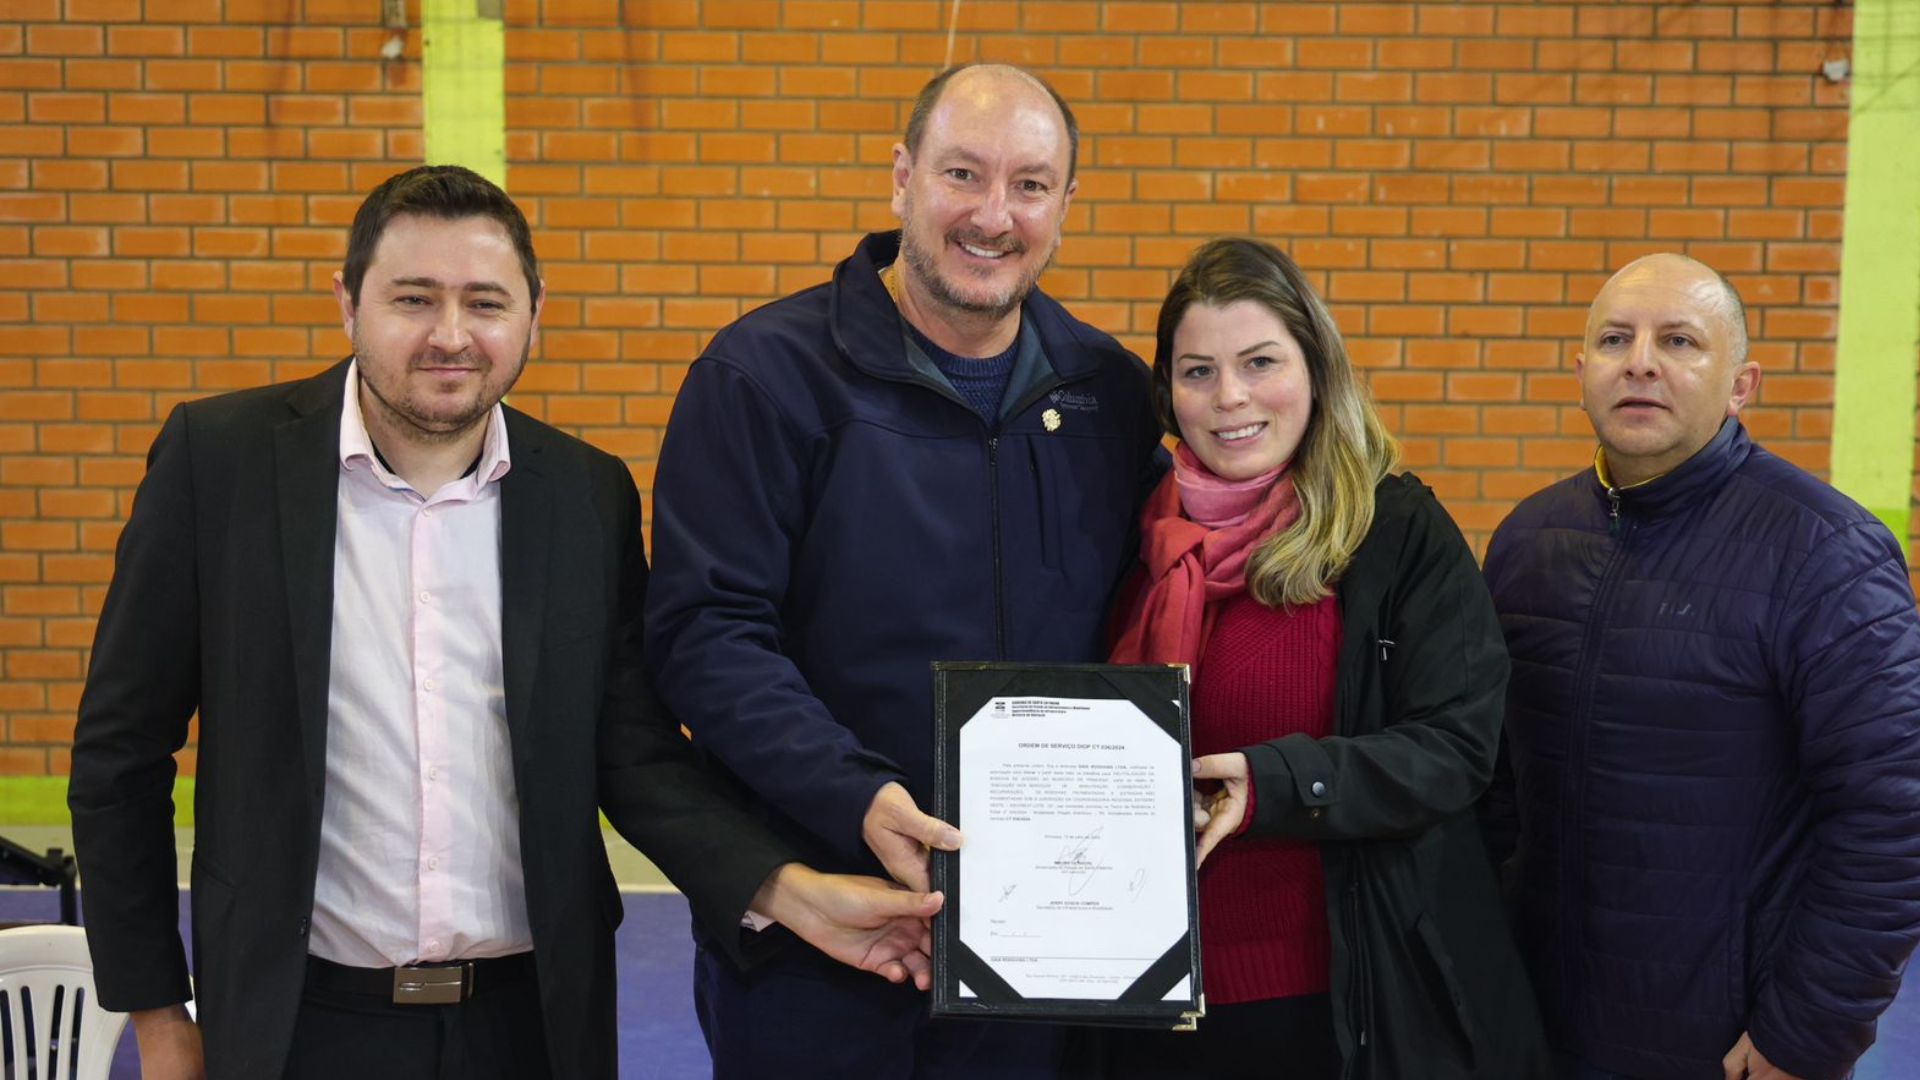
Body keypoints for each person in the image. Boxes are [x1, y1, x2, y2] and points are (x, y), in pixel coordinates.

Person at [66, 164, 946, 1080]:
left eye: (485, 302)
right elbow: (119, 756)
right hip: (299, 1024)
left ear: (534, 313)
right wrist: (162, 1021)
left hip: (531, 1027)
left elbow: (635, 755)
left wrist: (791, 894)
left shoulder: (583, 494)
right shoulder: (221, 466)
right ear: (347, 302)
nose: (451, 336)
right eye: (413, 298)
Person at [643, 64, 1164, 1077]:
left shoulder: (1110, 395)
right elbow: (707, 636)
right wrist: (858, 799)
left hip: (1051, 945)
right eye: (962, 174)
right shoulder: (762, 377)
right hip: (827, 945)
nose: (993, 215)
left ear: (1065, 206)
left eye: (1030, 185)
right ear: (901, 178)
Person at [1103, 237, 1552, 1080]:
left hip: (1333, 1005)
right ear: (1168, 389)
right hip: (1139, 998)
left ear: (1316, 367)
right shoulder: (1132, 538)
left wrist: (1281, 784)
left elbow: (1458, 750)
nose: (1230, 397)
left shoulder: (1395, 533)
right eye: (1198, 370)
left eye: (1260, 362)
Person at [1482, 253, 1920, 1080]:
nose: (1641, 361)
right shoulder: (1528, 542)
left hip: (1725, 1046)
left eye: (1679, 340)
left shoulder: (1827, 553)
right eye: (1616, 339)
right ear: (1581, 372)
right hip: (1534, 1027)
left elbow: (1891, 820)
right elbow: (1498, 787)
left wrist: (1809, 1031)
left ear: (1741, 383)